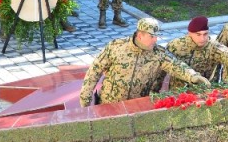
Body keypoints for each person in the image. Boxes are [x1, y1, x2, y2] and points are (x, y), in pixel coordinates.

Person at [79, 18, 208, 107]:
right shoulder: (116, 46)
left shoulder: (159, 54)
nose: (156, 40)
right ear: (140, 35)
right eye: (152, 36)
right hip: (109, 104)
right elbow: (95, 70)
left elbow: (176, 65)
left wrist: (193, 76)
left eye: (157, 36)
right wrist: (85, 97)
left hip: (137, 107)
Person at [167, 16, 228, 84]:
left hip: (206, 91)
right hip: (180, 94)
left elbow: (227, 54)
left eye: (205, 34)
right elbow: (165, 66)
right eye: (198, 35)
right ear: (189, 33)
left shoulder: (213, 46)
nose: (202, 38)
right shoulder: (175, 46)